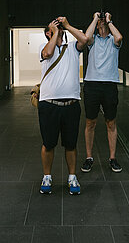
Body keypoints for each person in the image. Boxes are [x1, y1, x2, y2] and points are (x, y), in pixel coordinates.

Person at [38, 16, 88, 195]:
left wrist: (67, 25)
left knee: (71, 144)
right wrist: (55, 32)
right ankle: (47, 176)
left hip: (71, 105)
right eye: (55, 29)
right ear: (48, 33)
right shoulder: (43, 48)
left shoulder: (73, 48)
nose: (61, 32)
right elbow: (48, 54)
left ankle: (72, 177)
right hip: (49, 105)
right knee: (48, 143)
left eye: (61, 30)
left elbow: (85, 40)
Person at [80, 11, 124, 174]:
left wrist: (109, 21)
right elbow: (85, 37)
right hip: (92, 84)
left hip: (109, 84)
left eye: (103, 22)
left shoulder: (113, 40)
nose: (102, 24)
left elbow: (119, 38)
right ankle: (89, 157)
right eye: (101, 23)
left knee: (110, 122)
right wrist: (94, 19)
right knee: (90, 122)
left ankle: (112, 158)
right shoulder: (93, 41)